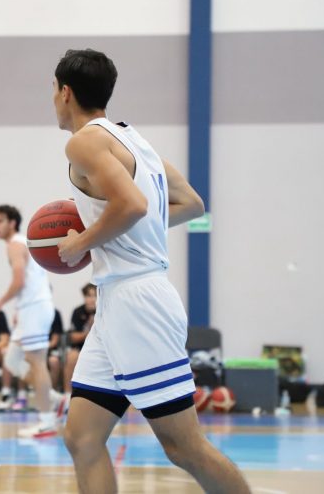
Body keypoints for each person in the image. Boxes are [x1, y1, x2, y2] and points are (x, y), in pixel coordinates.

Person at [52, 49, 250, 493]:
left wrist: (81, 241)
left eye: (53, 91)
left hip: (137, 304)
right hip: (117, 303)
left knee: (184, 447)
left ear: (65, 92)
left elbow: (133, 205)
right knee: (82, 438)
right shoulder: (131, 140)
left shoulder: (83, 142)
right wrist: (117, 231)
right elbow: (192, 204)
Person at [0, 204, 66, 437]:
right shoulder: (23, 242)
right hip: (28, 308)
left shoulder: (15, 245)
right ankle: (54, 399)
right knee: (12, 360)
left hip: (35, 309)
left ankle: (47, 421)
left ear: (12, 222)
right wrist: (18, 308)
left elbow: (19, 281)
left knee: (37, 363)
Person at [13, 308, 64, 411]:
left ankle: (50, 396)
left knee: (53, 361)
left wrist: (39, 348)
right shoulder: (26, 312)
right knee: (20, 360)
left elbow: (54, 340)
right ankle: (22, 397)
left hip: (46, 349)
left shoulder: (53, 313)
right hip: (30, 349)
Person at [64, 284, 97, 395]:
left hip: (99, 348)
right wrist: (89, 330)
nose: (92, 299)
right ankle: (67, 394)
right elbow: (73, 337)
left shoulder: (103, 310)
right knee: (71, 357)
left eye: (95, 295)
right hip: (80, 347)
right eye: (89, 296)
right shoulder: (78, 311)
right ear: (84, 297)